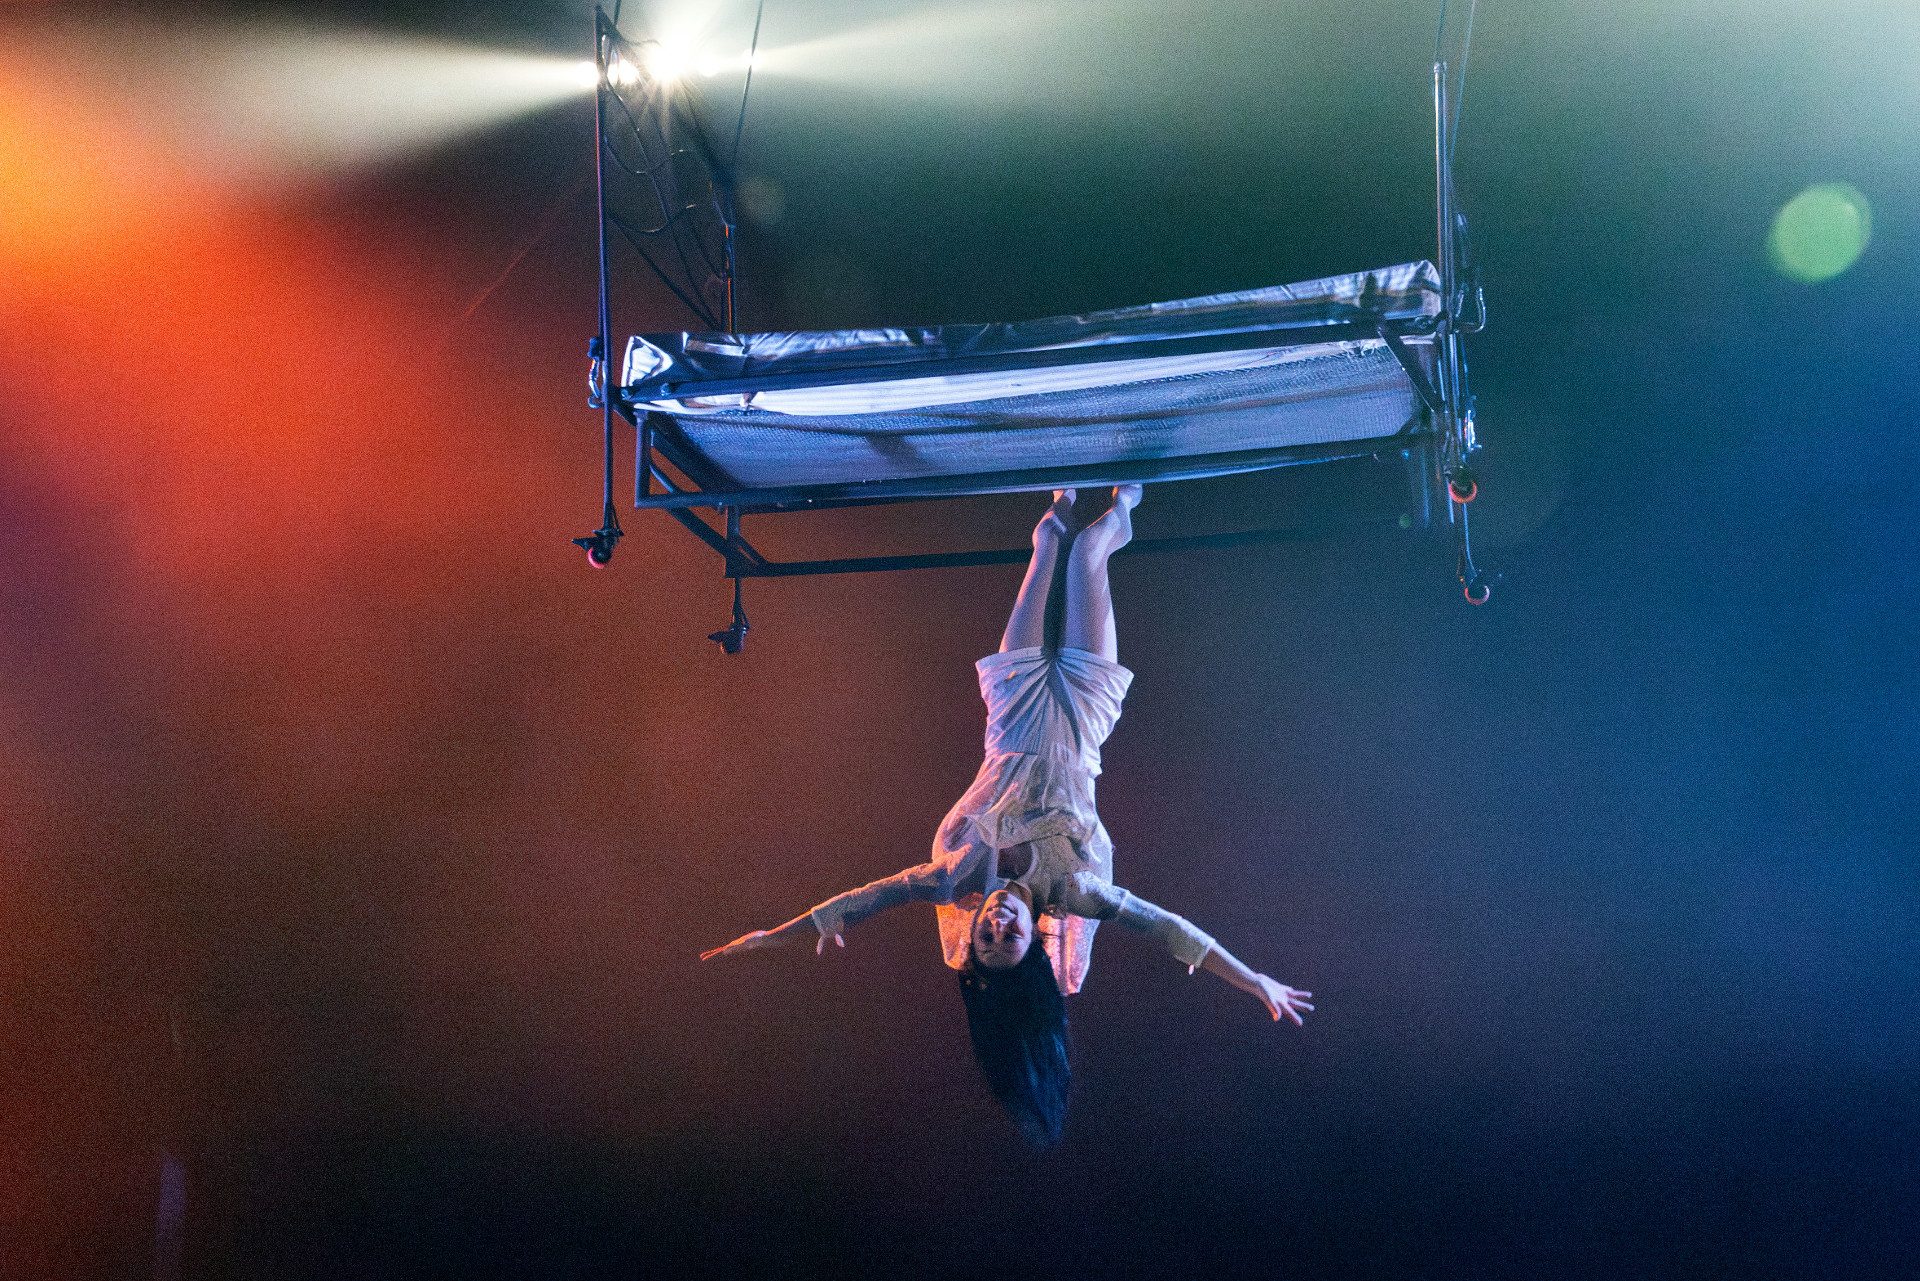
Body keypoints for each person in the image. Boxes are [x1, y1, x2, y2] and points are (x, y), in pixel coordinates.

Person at [702, 486, 1312, 1144]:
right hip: (1083, 719)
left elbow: (863, 899)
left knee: (1051, 537)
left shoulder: (957, 877)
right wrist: (1252, 980)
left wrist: (778, 935)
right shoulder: (1073, 891)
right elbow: (1168, 930)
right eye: (1009, 940)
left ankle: (1063, 486)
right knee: (1092, 553)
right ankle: (1127, 496)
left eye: (984, 939)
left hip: (1015, 712)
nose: (995, 924)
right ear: (1033, 947)